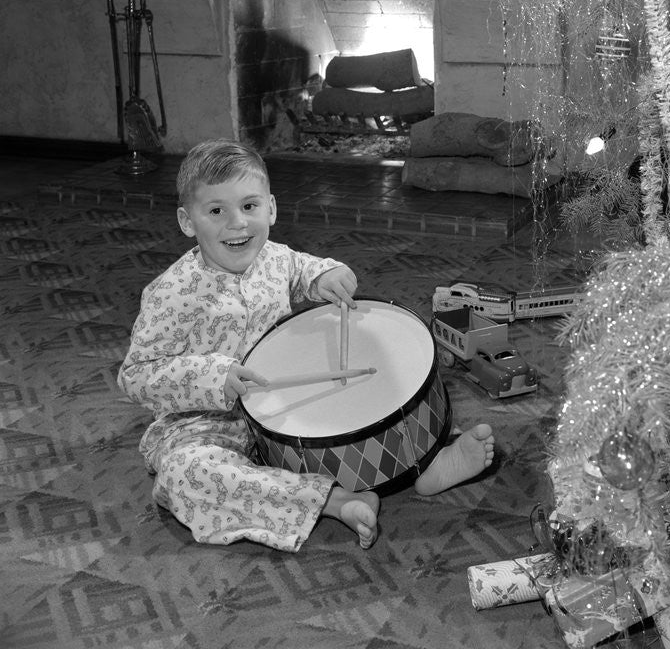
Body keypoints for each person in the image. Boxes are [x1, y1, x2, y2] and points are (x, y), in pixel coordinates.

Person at [118, 138, 495, 553]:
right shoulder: (170, 293)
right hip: (206, 425)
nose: (237, 223)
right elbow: (135, 375)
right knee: (185, 475)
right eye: (216, 211)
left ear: (271, 209)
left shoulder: (275, 258)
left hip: (289, 408)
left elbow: (303, 270)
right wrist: (212, 376)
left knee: (366, 390)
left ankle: (426, 462)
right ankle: (334, 500)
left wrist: (326, 274)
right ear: (187, 221)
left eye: (249, 206)